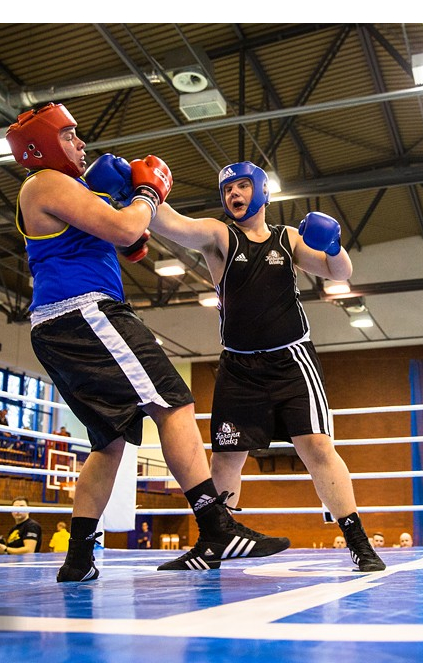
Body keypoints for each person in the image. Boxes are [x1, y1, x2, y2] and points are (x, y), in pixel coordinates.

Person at [5, 103, 289, 580]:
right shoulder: (45, 182)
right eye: (71, 136)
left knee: (109, 442)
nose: (80, 144)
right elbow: (127, 227)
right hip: (85, 312)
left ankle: (77, 558)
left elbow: (125, 243)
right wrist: (146, 193)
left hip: (60, 324)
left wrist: (127, 214)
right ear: (44, 144)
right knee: (174, 403)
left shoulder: (60, 189)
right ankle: (216, 525)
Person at [136, 160, 384, 573]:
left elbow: (338, 273)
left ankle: (357, 541)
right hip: (238, 366)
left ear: (263, 190)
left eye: (242, 186)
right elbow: (174, 225)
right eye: (227, 189)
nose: (234, 195)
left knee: (318, 449)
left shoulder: (287, 239)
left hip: (292, 362)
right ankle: (214, 541)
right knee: (226, 458)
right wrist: (137, 189)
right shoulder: (219, 236)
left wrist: (335, 245)